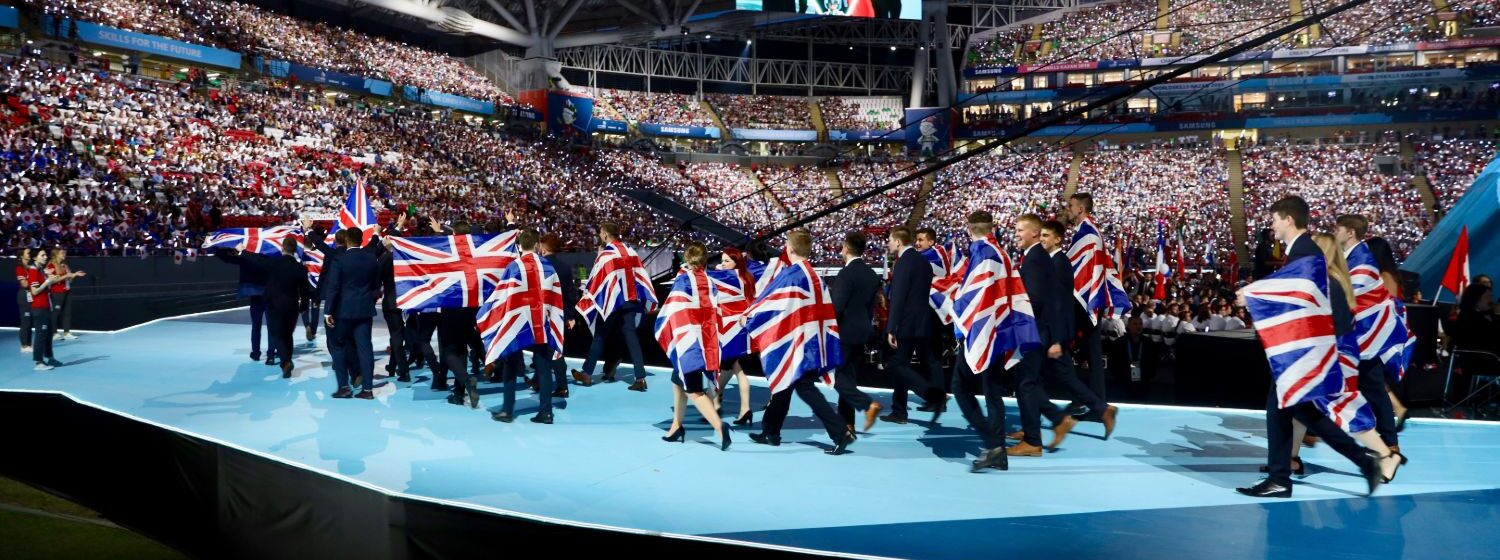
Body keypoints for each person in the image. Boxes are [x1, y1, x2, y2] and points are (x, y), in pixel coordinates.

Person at [1236, 196, 1384, 499]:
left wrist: (1252, 294)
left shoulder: (1304, 252)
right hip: (1306, 349)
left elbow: (1296, 292)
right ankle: (1358, 460)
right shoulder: (1304, 252)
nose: (1272, 225)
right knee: (1294, 408)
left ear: (1289, 219)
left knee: (1287, 408)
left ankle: (1283, 477)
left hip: (1305, 350)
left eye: (1275, 219)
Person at [748, 229, 854, 455]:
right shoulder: (814, 275)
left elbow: (770, 300)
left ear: (790, 248)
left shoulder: (793, 275)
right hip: (810, 340)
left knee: (804, 387)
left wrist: (748, 315)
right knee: (785, 384)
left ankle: (839, 431)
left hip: (795, 341)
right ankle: (771, 431)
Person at [1039, 219, 1118, 443]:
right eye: (1041, 235)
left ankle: (1044, 426)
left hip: (1055, 331)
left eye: (1046, 236)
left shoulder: (1060, 263)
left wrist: (1056, 338)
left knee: (1032, 379)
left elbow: (1058, 303)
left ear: (1057, 239)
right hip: (1054, 330)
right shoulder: (1053, 261)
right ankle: (1101, 409)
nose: (1042, 239)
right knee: (1052, 377)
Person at [1335, 215, 1405, 458]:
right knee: (1372, 387)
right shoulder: (1354, 256)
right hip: (1359, 336)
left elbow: (1352, 296)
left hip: (1364, 336)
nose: (1336, 233)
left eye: (1338, 229)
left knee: (1373, 387)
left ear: (1351, 232)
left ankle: (1389, 445)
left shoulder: (1362, 260)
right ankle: (1387, 442)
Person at [481, 229, 562, 424]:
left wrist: (485, 314)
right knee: (544, 368)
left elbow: (502, 297)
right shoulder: (549, 268)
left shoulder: (513, 267)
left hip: (517, 324)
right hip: (541, 324)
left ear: (519, 245)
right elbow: (556, 299)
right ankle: (547, 412)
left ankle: (508, 410)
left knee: (510, 366)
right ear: (536, 245)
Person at [656, 242, 731, 449]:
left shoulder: (682, 281)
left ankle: (719, 426)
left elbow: (672, 310)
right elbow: (717, 314)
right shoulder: (711, 282)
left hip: (688, 343)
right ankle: (676, 426)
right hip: (705, 343)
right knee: (677, 382)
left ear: (687, 259)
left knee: (694, 390)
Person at [572, 223, 655, 392]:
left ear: (605, 235)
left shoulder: (606, 255)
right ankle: (640, 378)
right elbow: (641, 275)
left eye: (601, 232)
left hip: (613, 302)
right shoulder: (631, 251)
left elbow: (597, 280)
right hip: (631, 300)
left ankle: (587, 374)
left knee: (601, 335)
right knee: (631, 336)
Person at [881, 226, 947, 424]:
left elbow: (899, 297)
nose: (888, 244)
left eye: (890, 241)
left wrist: (891, 327)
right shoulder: (923, 262)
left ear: (899, 242)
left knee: (896, 365)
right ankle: (900, 411)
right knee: (921, 363)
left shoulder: (903, 263)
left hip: (906, 324)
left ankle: (929, 394)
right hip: (924, 322)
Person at [219, 239, 314, 378]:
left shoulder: (275, 263)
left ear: (283, 248)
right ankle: (283, 359)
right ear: (294, 250)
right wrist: (303, 307)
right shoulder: (300, 268)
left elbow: (257, 260)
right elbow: (305, 291)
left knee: (276, 334)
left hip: (275, 306)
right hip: (292, 307)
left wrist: (242, 251)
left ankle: (286, 361)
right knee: (287, 335)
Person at [1064, 193, 1112, 413]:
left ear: (1081, 209)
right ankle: (1096, 402)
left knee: (1062, 344)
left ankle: (1083, 398)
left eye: (1071, 206)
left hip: (1084, 299)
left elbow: (1073, 267)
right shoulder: (1090, 231)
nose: (1068, 209)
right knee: (1091, 350)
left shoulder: (1087, 233)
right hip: (1089, 298)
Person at [831, 232, 881, 432]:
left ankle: (867, 404)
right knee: (849, 378)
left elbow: (837, 307)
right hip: (863, 332)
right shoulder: (871, 274)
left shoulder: (845, 274)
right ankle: (847, 424)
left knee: (838, 380)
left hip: (845, 332)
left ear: (847, 248)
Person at [323, 228, 382, 400]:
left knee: (337, 346)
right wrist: (368, 301)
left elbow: (333, 288)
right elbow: (376, 287)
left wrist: (328, 312)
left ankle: (344, 387)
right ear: (361, 240)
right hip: (364, 311)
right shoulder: (372, 259)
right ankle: (368, 390)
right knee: (365, 349)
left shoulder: (339, 260)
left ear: (347, 240)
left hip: (343, 312)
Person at [712, 247, 765, 426]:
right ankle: (716, 402)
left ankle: (743, 409)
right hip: (741, 330)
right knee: (728, 368)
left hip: (731, 332)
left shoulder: (729, 276)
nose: (723, 263)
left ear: (736, 262)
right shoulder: (746, 276)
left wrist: (718, 269)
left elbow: (706, 275)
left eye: (727, 260)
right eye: (723, 260)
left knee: (738, 371)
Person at [26, 250, 85, 370]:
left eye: (45, 254)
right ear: (34, 258)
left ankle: (50, 358)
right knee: (40, 335)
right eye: (42, 255)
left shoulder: (40, 270)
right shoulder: (33, 271)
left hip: (47, 306)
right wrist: (48, 281)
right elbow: (35, 291)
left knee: (48, 335)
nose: (45, 257)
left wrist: (49, 279)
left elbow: (46, 285)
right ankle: (38, 362)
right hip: (39, 307)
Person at [539, 234, 577, 399]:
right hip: (559, 314)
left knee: (547, 350)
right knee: (554, 348)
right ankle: (548, 382)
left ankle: (561, 386)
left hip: (541, 314)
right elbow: (570, 295)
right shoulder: (565, 268)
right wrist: (570, 316)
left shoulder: (539, 265)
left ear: (544, 248)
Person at [1106, 315, 1160, 402]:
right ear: (1128, 326)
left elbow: (1154, 361)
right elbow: (1113, 362)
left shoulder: (1148, 343)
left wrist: (1148, 376)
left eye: (1140, 324)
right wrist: (1119, 376)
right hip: (1124, 381)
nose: (1138, 326)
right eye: (1135, 324)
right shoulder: (1119, 343)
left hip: (1143, 381)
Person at [46, 249, 77, 340]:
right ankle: (54, 333)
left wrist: (74, 275)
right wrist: (66, 276)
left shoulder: (65, 265)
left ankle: (67, 333)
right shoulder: (50, 265)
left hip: (67, 291)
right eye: (62, 253)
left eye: (65, 252)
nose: (65, 254)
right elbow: (51, 280)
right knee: (55, 313)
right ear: (56, 254)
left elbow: (70, 279)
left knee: (67, 312)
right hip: (56, 293)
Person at [16, 248, 33, 355]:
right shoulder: (19, 268)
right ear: (22, 256)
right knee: (25, 322)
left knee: (30, 322)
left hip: (31, 296)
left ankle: (29, 344)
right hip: (24, 296)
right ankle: (24, 345)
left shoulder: (31, 267)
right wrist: (34, 278)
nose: (30, 254)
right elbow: (25, 284)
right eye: (28, 253)